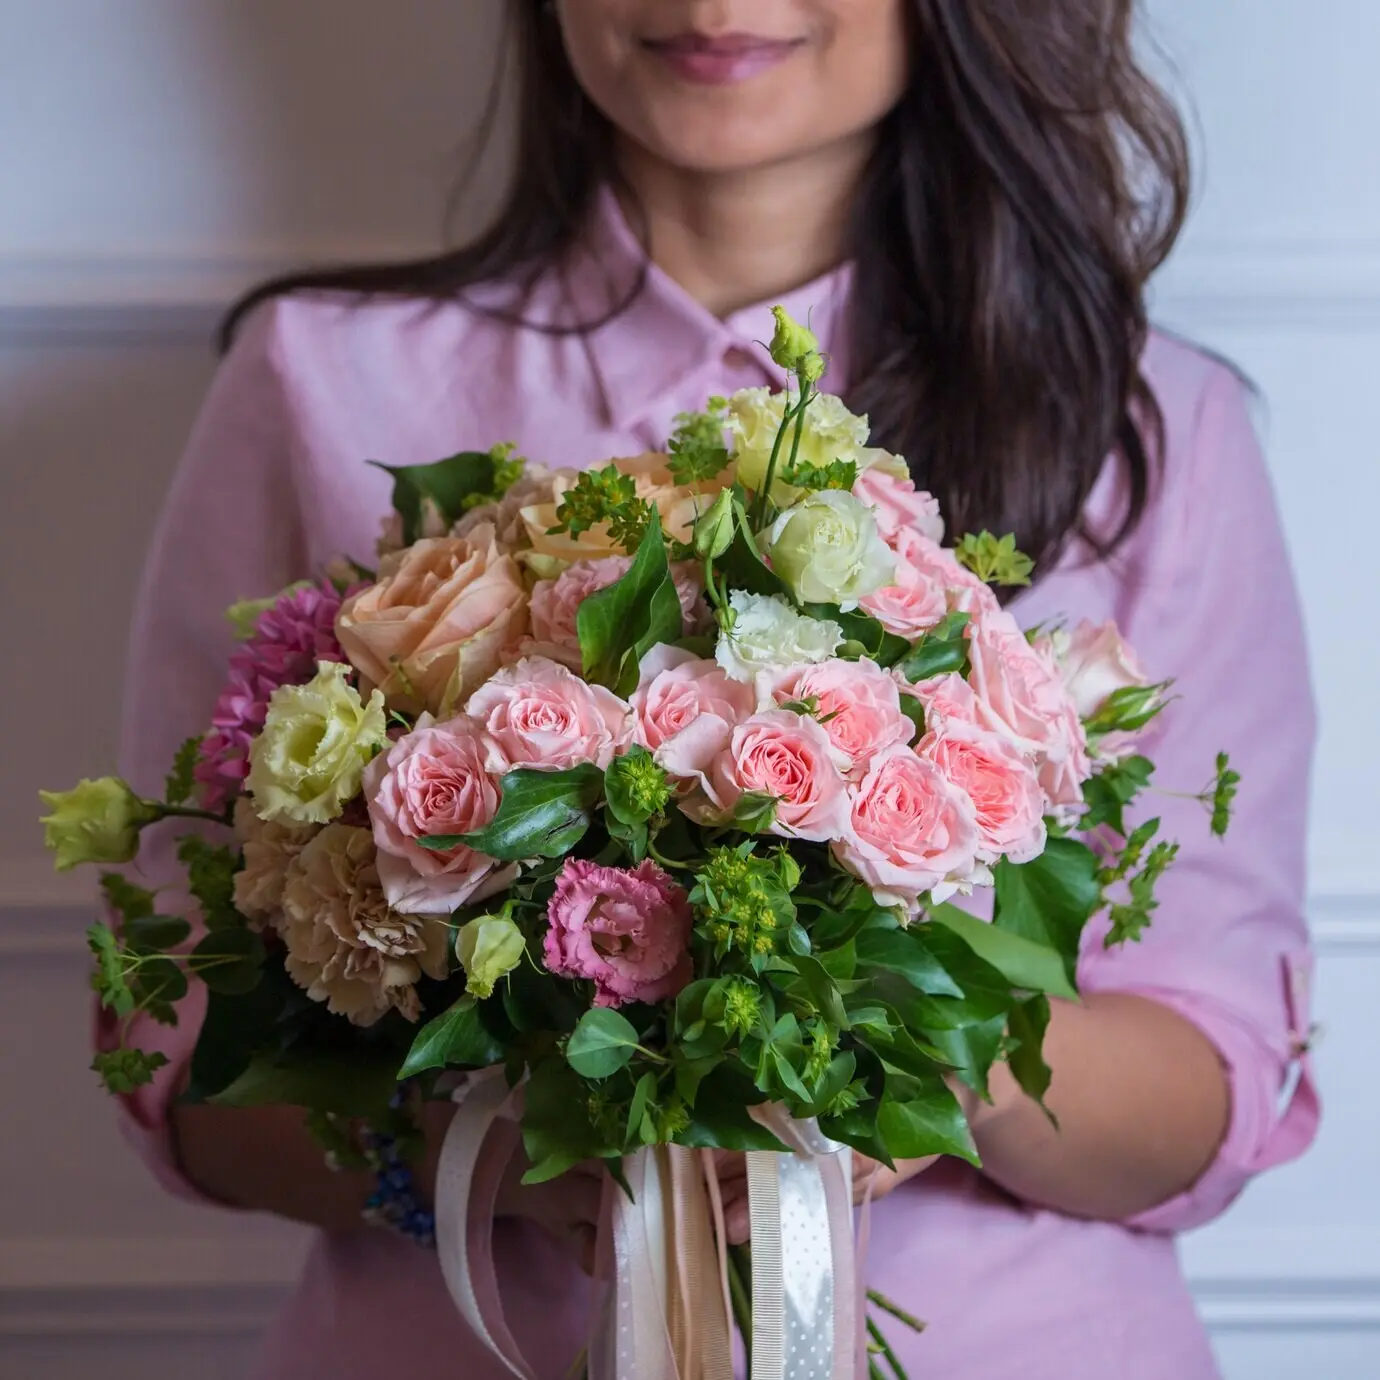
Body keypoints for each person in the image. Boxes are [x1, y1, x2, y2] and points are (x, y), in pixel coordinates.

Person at [107, 2, 1320, 1377]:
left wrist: (919, 1060)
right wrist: (482, 1154)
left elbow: (1215, 1079)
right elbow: (179, 1052)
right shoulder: (318, 377)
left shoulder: (1153, 429)